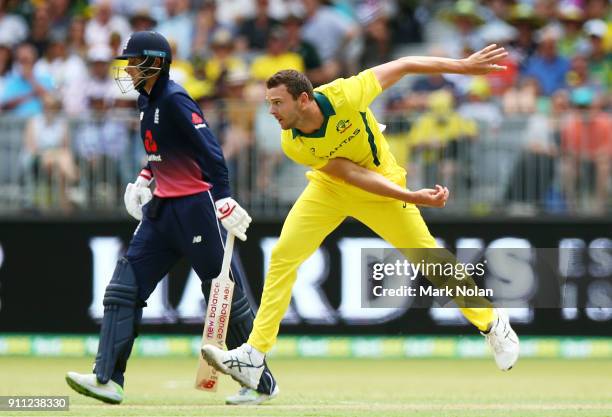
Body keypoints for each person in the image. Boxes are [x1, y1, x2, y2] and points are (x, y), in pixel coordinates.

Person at [202, 44, 521, 390]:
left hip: (381, 186)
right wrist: (412, 197)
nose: (272, 111)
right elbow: (347, 174)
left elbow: (406, 62)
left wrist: (462, 67)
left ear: (305, 99)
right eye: (269, 104)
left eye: (278, 103)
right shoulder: (292, 143)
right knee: (283, 257)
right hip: (330, 189)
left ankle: (492, 323)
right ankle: (254, 355)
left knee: (428, 259)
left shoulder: (345, 94)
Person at [65, 31, 279, 406]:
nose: (128, 68)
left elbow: (210, 150)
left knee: (221, 294)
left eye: (134, 61)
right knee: (123, 289)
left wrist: (224, 199)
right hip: (161, 211)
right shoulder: (146, 102)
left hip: (195, 209)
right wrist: (144, 180)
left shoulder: (176, 99)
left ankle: (260, 380)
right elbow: (162, 152)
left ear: (155, 63)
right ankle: (107, 379)